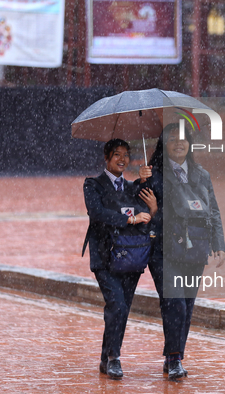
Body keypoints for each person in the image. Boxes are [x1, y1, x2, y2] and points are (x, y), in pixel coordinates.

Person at [138, 123, 225, 380]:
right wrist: (149, 201)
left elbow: (213, 212)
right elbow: (137, 209)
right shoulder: (152, 175)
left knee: (186, 305)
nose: (179, 143)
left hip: (195, 248)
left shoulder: (201, 175)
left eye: (183, 139)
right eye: (173, 139)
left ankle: (174, 356)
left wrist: (218, 244)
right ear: (163, 144)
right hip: (163, 248)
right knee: (174, 301)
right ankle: (174, 359)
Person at [82, 138, 156, 379]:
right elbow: (98, 213)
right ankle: (115, 358)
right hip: (104, 257)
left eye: (126, 155)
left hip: (130, 257)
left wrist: (147, 181)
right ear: (107, 157)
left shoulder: (133, 187)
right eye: (117, 154)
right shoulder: (93, 185)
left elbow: (149, 210)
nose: (122, 159)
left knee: (121, 310)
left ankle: (107, 357)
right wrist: (129, 219)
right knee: (117, 304)